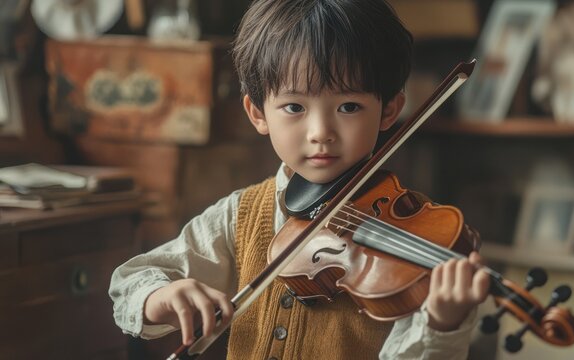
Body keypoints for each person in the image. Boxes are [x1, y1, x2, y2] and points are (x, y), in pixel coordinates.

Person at [109, 0, 490, 359]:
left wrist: (441, 323)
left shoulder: (420, 235)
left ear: (389, 109)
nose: (321, 131)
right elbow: (131, 281)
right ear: (258, 113)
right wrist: (161, 295)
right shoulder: (239, 215)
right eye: (294, 107)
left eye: (349, 106)